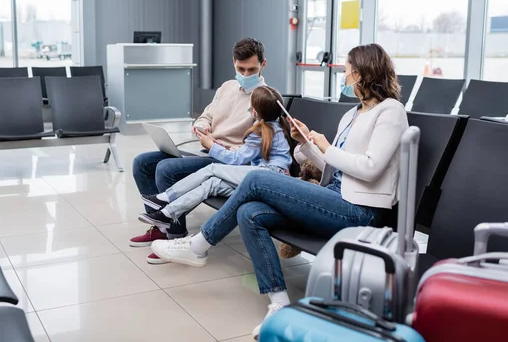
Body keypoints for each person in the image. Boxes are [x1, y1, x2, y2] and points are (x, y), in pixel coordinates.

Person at [151, 43, 408, 339]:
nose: (343, 75)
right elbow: (332, 168)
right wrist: (308, 144)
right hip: (334, 196)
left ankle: (199, 245)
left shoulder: (391, 111)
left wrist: (325, 146)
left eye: (347, 70)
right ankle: (279, 302)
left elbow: (370, 168)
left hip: (359, 210)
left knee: (257, 179)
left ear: (363, 73)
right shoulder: (353, 114)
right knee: (250, 213)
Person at [130, 38, 268, 265]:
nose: (245, 73)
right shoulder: (227, 87)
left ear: (263, 64)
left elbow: (260, 145)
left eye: (251, 69)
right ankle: (162, 226)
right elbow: (207, 115)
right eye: (240, 68)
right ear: (233, 62)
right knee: (142, 163)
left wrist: (216, 146)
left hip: (229, 161)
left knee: (166, 169)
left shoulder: (265, 98)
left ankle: (175, 236)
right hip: (209, 151)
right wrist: (202, 126)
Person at [137, 86, 292, 242]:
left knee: (212, 169)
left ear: (255, 112)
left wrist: (212, 146)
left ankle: (165, 197)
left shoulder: (261, 132)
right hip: (263, 177)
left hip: (269, 177)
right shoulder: (274, 127)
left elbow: (237, 159)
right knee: (211, 184)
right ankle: (166, 214)